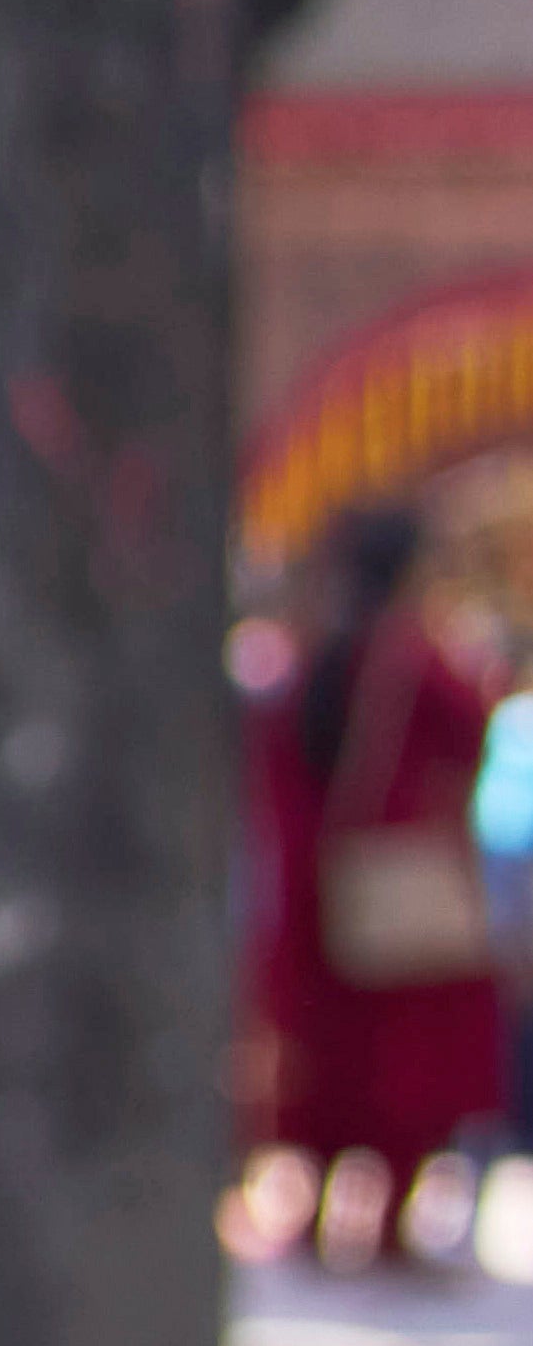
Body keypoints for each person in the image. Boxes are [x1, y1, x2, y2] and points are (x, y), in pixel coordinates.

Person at [244, 497, 498, 1272]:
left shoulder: (311, 655)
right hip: (399, 891)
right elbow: (460, 754)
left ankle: (319, 1210)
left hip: (320, 890)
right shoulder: (416, 661)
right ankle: (385, 1223)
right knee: (405, 1066)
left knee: (327, 1058)